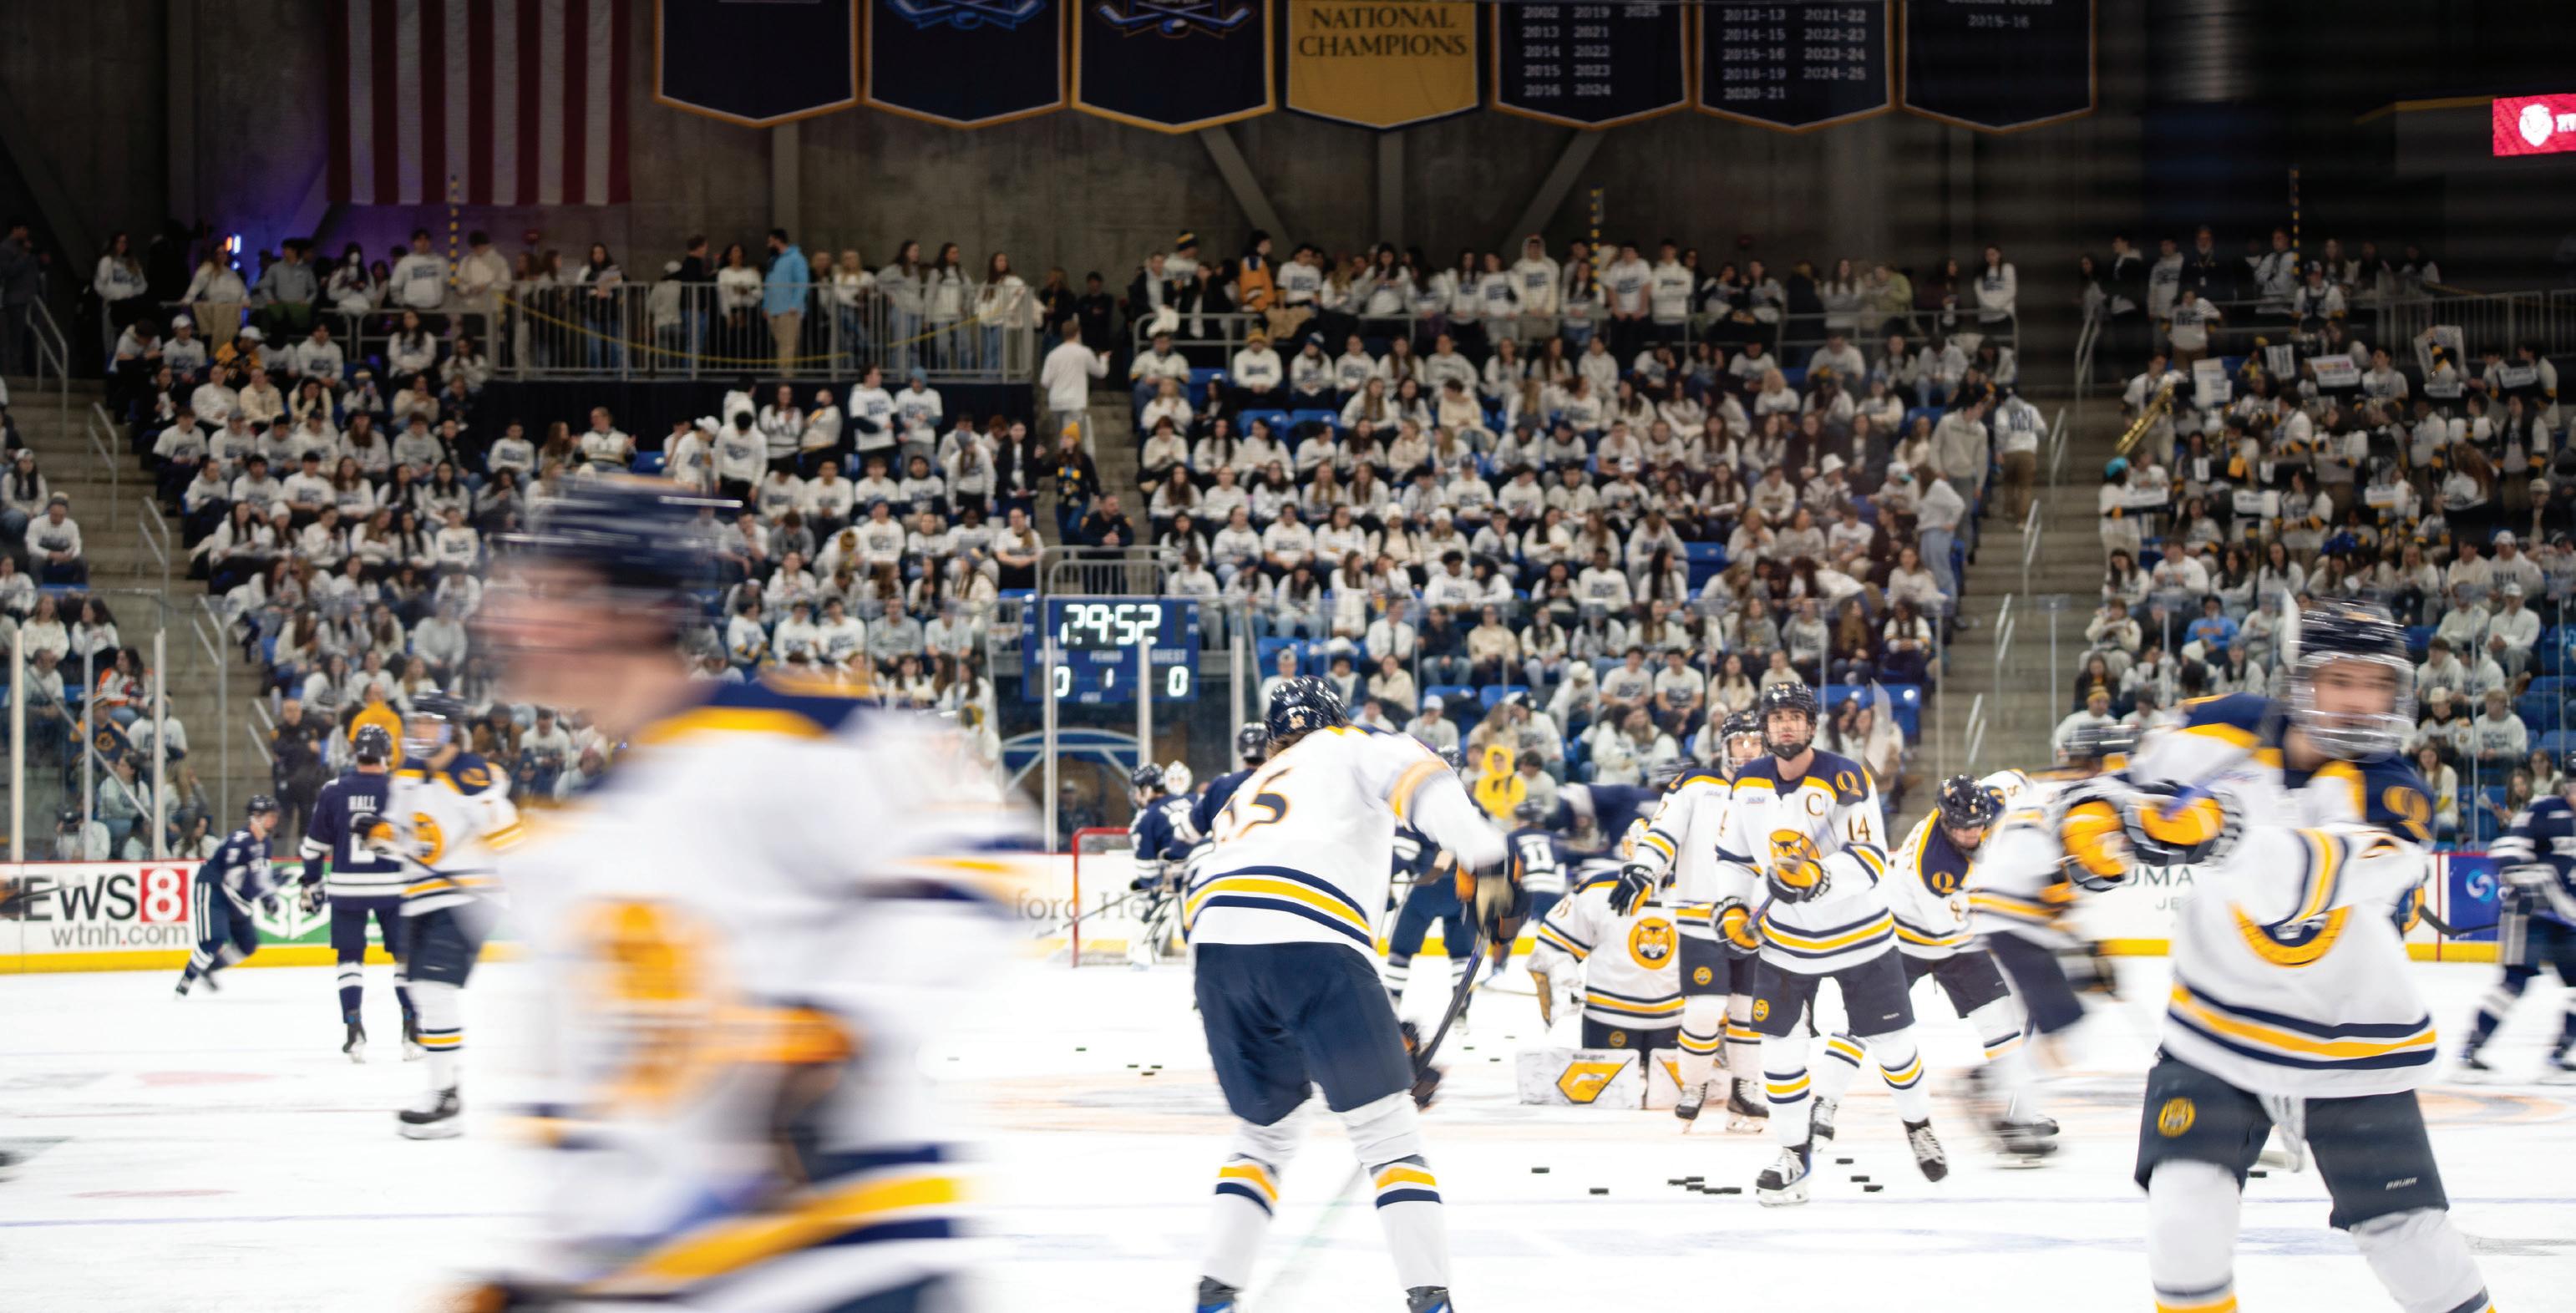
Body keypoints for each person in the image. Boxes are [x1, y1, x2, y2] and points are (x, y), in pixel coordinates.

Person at [455, 477, 1025, 1310]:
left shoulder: (785, 732)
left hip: (857, 1263)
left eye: (551, 592)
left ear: (633, 607)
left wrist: (834, 1025)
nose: (513, 619)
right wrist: (542, 1278)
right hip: (697, 1283)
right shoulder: (564, 852)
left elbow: (973, 849)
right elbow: (603, 1115)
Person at [2057, 602, 2493, 1313]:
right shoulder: (2219, 725)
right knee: (2181, 1221)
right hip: (2215, 1029)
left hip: (2351, 1045)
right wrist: (2090, 817)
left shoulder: (2396, 794)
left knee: (2410, 1241)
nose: (2361, 701)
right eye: (2341, 680)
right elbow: (2120, 781)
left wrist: (2221, 833)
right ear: (2299, 681)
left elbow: (2306, 881)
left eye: (2377, 684)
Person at [1188, 677, 1504, 1313]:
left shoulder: (1245, 790)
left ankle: (1214, 1299)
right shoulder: (1353, 744)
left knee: (1264, 1135)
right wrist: (1490, 863)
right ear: (1335, 718)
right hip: (1314, 944)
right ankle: (1432, 1303)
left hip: (1217, 954)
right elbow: (1429, 783)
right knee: (1388, 1134)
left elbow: (1238, 906)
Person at [1665, 679, 1942, 1203]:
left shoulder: (1846, 776)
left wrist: (1819, 877)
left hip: (1861, 936)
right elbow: (1733, 859)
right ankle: (1794, 1155)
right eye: (1777, 718)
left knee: (1894, 1046)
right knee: (1779, 1053)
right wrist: (1732, 905)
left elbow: (1870, 859)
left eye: (1795, 717)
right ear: (1766, 729)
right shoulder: (1747, 783)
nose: (1786, 725)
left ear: (1812, 726)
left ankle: (1919, 1125)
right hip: (1787, 942)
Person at [361, 692, 525, 1139]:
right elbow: (401, 834)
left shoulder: (471, 775)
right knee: (418, 988)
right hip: (421, 896)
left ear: (452, 730)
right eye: (417, 722)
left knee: (433, 988)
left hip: (467, 896)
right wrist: (380, 834)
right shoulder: (407, 776)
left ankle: (445, 1098)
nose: (420, 730)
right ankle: (443, 1093)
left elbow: (508, 834)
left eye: (430, 723)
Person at [1887, 775, 2056, 1160]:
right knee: (1870, 1028)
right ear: (1945, 820)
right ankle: (1820, 1107)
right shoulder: (1934, 866)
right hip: (1905, 939)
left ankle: (2020, 1115)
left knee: (2002, 1024)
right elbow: (1956, 933)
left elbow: (2021, 781)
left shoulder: (1991, 799)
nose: (1972, 834)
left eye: (1978, 825)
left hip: (1952, 929)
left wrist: (2056, 809)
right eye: (1963, 828)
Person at [1619, 708, 1772, 1129]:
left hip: (1754, 919)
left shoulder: (1776, 790)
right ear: (1723, 746)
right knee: (1704, 1009)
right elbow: (1663, 832)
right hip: (1700, 917)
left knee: (1748, 1010)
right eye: (1739, 742)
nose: (1747, 750)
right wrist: (1643, 868)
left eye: (1754, 742)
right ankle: (1694, 1085)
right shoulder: (1694, 785)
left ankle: (1745, 1090)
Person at [296, 723, 417, 1061]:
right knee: (405, 957)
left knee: (349, 959)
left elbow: (312, 848)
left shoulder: (334, 790)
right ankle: (411, 1031)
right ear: (386, 753)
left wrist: (312, 882)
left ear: (356, 753)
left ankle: (354, 1029)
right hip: (393, 888)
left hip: (347, 889)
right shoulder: (400, 789)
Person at [2459, 749, 2576, 1077]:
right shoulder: (2544, 810)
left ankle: (2560, 1052)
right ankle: (2472, 1047)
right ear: (2566, 786)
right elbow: (2506, 851)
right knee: (2514, 982)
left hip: (2567, 920)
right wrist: (2532, 880)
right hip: (2529, 915)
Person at [1528, 818, 1682, 1052]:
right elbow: (1553, 946)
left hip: (1675, 1019)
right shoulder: (1597, 889)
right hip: (1608, 1018)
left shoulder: (1690, 893)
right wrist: (1565, 985)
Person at [174, 795, 284, 997]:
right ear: (255, 817)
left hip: (235, 897)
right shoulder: (238, 842)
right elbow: (235, 880)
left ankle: (209, 970)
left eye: (274, 816)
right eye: (269, 816)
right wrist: (265, 889)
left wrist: (268, 897)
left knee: (247, 944)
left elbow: (257, 879)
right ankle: (185, 982)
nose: (273, 820)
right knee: (213, 941)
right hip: (214, 890)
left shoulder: (266, 844)